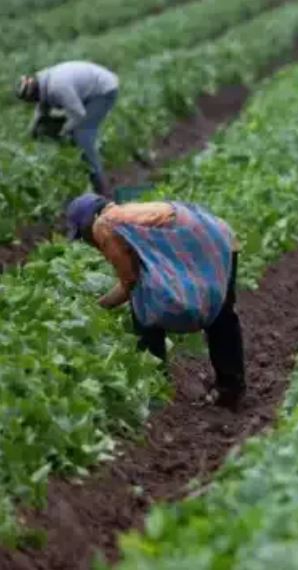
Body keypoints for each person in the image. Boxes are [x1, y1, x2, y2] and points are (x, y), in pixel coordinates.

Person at [65, 193, 246, 410]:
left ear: (87, 224)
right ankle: (230, 388)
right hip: (220, 235)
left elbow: (130, 280)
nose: (89, 242)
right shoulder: (128, 215)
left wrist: (97, 307)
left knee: (143, 307)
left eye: (84, 237)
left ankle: (154, 385)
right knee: (222, 312)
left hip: (206, 241)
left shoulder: (103, 225)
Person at [16, 61, 119, 196]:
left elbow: (79, 114)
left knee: (82, 135)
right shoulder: (42, 83)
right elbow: (41, 113)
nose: (33, 102)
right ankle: (83, 165)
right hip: (88, 90)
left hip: (103, 90)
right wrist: (31, 133)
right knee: (52, 127)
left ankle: (102, 188)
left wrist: (64, 131)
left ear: (34, 93)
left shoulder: (58, 87)